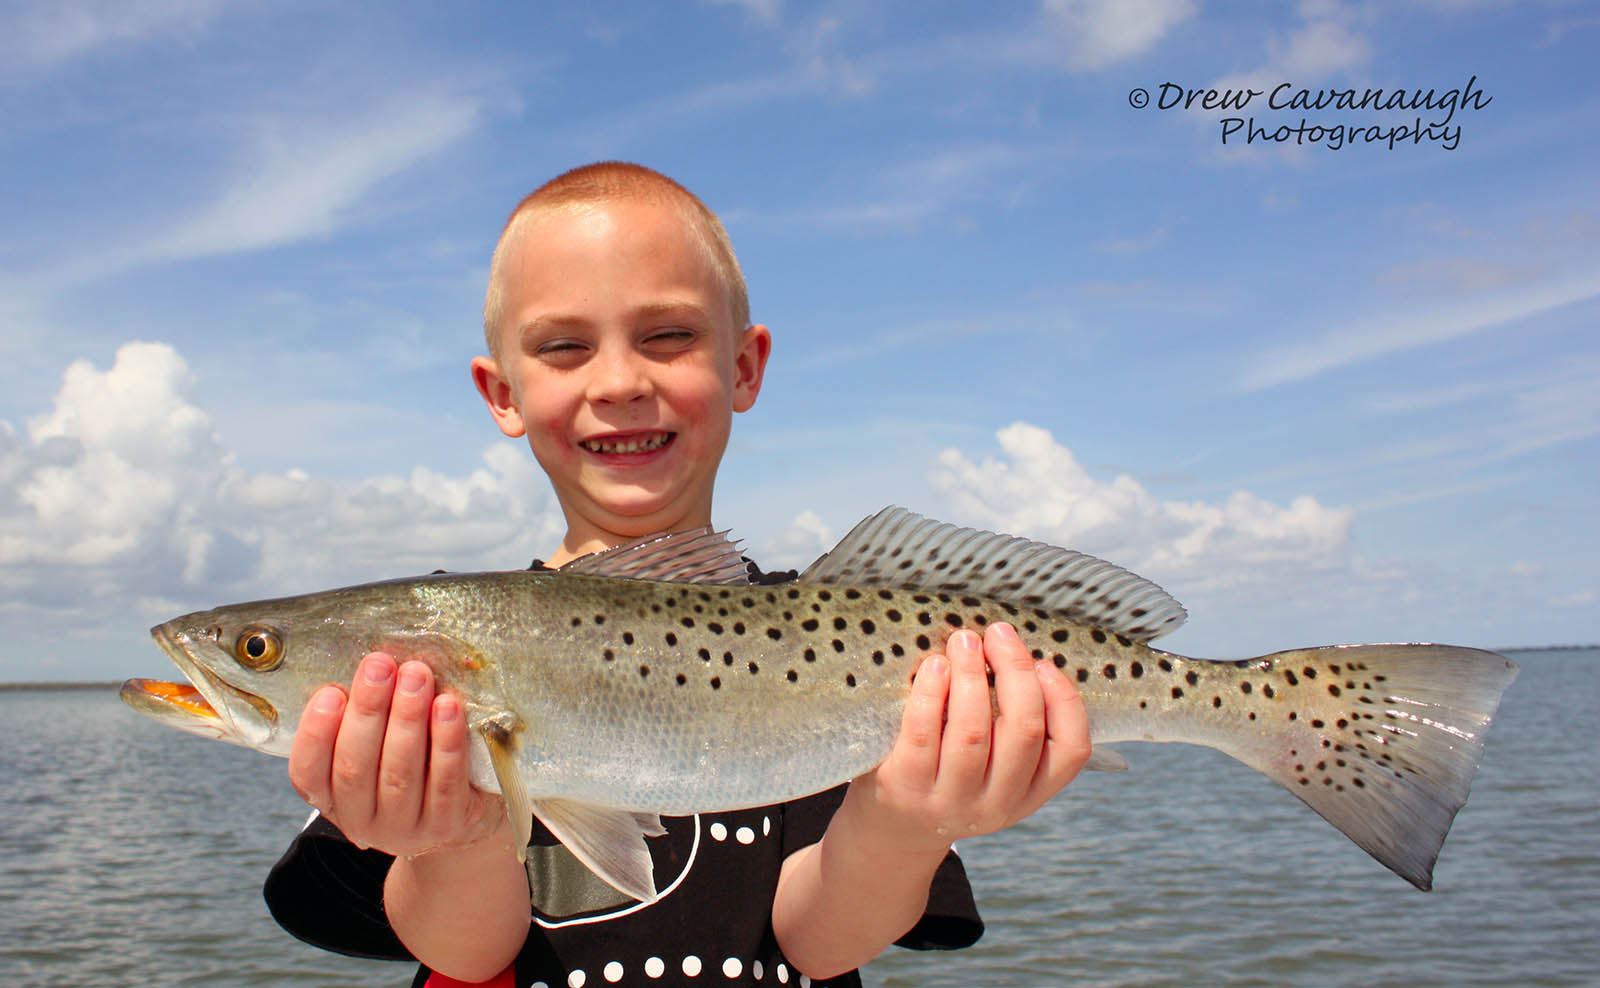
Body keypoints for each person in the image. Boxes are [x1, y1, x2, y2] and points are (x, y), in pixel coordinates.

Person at [264, 162, 1092, 987]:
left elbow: (820, 945)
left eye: (668, 336)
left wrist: (904, 828)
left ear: (744, 366)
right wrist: (447, 840)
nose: (620, 382)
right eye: (564, 347)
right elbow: (468, 956)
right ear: (500, 391)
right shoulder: (432, 644)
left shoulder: (825, 632)